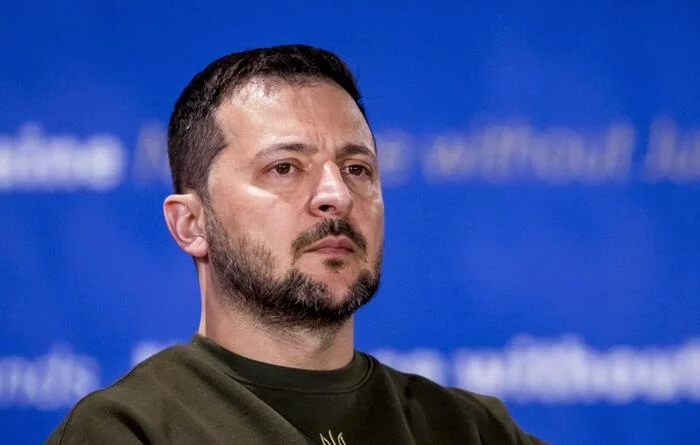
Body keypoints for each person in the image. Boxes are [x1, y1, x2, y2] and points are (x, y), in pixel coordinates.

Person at [47, 44, 545, 445]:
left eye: (357, 169)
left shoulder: (473, 429)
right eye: (284, 168)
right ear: (191, 224)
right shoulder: (126, 431)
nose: (337, 195)